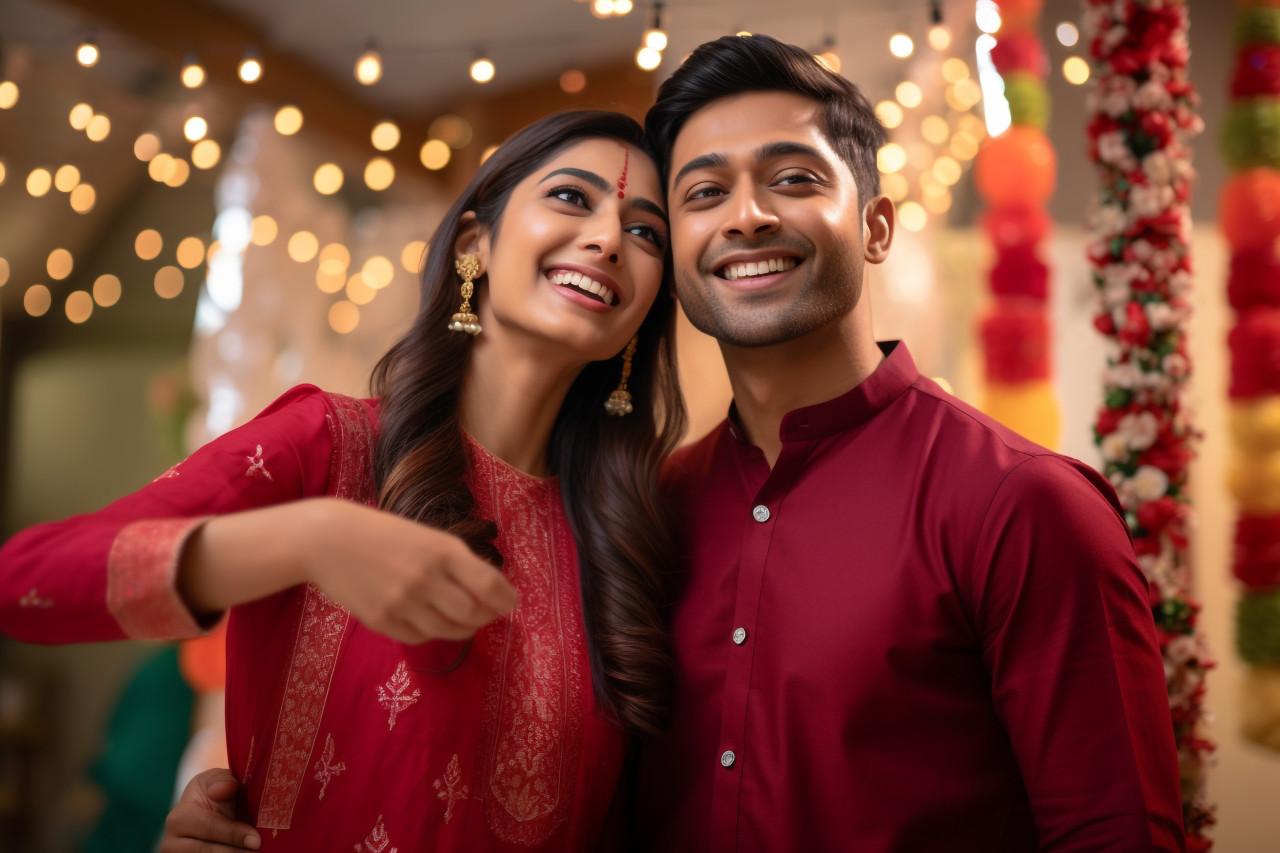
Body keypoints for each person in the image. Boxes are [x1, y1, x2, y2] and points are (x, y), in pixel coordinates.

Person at [161, 33, 1187, 853]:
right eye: (700, 193)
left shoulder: (1019, 506)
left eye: (792, 178)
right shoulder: (642, 516)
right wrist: (259, 813)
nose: (745, 217)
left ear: (874, 226)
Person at [0, 109, 686, 852]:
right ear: (473, 245)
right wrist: (307, 539)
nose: (610, 239)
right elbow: (26, 581)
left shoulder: (629, 533)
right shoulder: (325, 445)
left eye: (646, 232)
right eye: (572, 197)